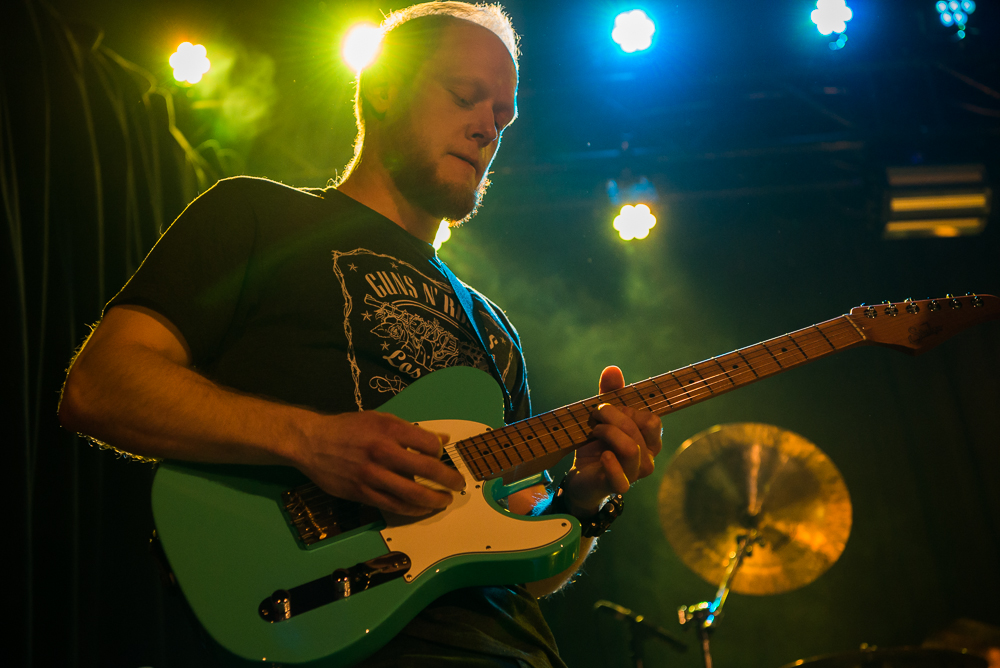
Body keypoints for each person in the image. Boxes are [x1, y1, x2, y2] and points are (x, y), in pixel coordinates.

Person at [58, 3, 663, 666]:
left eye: (503, 115)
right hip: (320, 628)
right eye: (466, 96)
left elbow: (524, 562)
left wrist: (585, 500)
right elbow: (99, 385)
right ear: (381, 89)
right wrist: (311, 441)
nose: (488, 127)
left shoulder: (495, 333)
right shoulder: (257, 215)